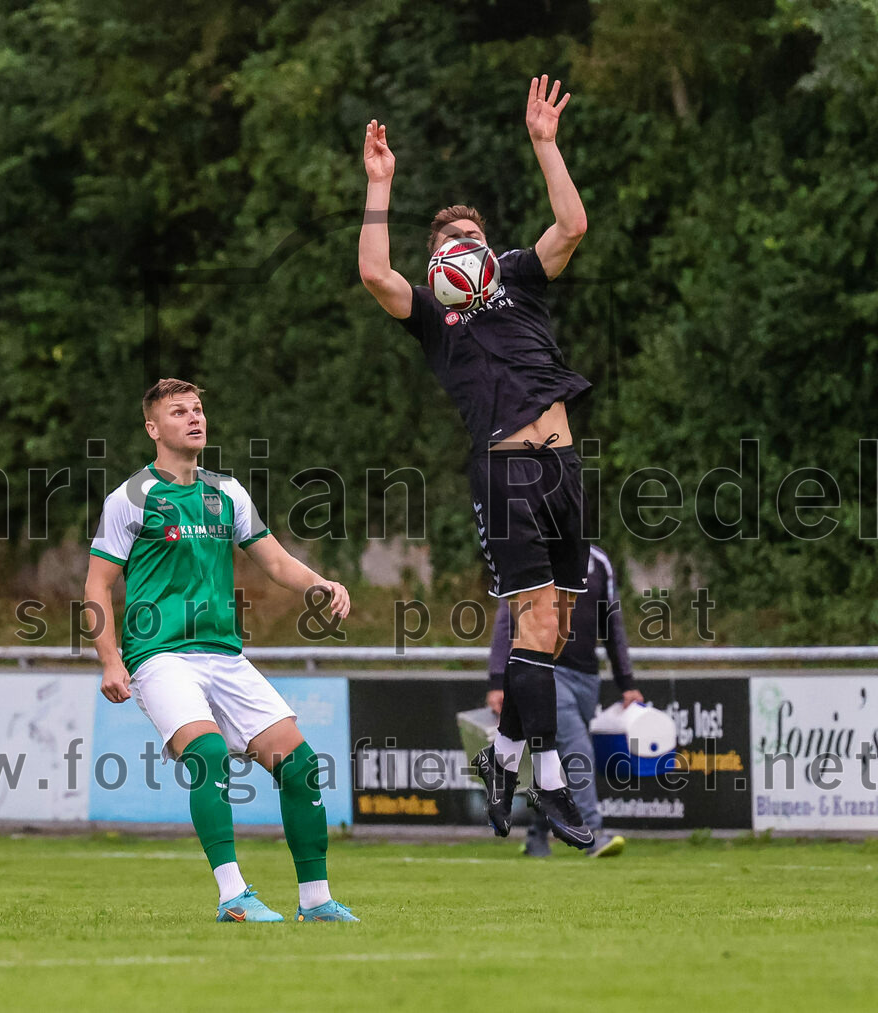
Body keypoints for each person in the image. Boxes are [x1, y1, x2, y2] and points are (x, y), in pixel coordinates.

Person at [359, 75, 594, 847]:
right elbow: (374, 274)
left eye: (470, 237)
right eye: (447, 241)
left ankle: (502, 757)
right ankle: (549, 782)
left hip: (564, 466)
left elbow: (572, 225)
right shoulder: (434, 316)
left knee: (554, 631)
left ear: (486, 251)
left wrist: (545, 145)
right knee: (535, 620)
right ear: (436, 262)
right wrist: (380, 185)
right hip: (505, 471)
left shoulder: (519, 275)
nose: (461, 245)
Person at [83, 378, 358, 922]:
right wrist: (110, 659)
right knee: (208, 756)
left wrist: (320, 584)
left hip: (224, 654)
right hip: (159, 655)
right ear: (152, 428)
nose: (194, 418)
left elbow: (275, 561)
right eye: (179, 411)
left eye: (198, 409)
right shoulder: (131, 497)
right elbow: (97, 585)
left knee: (301, 766)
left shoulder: (227, 492)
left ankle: (316, 901)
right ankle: (233, 896)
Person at [486, 545, 644, 857]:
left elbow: (612, 623)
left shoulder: (599, 562)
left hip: (587, 678)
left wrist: (626, 683)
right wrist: (497, 680)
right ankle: (592, 832)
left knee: (561, 761)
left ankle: (537, 835)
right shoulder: (530, 553)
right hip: (544, 670)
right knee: (577, 749)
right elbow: (507, 620)